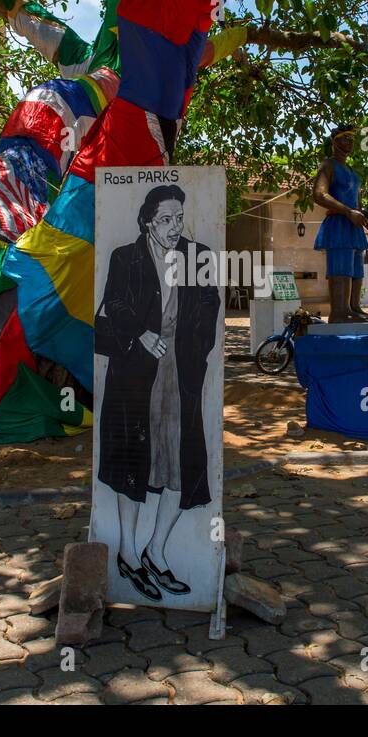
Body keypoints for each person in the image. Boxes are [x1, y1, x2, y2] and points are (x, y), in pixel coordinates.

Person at [96, 184, 220, 603]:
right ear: (148, 221)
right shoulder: (125, 258)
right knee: (133, 460)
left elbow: (210, 306)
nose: (173, 227)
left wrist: (191, 346)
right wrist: (141, 333)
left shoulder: (197, 256)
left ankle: (156, 551)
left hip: (178, 374)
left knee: (180, 464)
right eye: (165, 219)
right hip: (135, 374)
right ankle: (128, 554)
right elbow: (114, 304)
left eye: (178, 218)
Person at [311, 125, 368, 322]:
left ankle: (354, 309)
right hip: (339, 226)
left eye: (352, 138)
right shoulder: (328, 165)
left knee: (356, 270)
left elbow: (361, 210)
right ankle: (340, 312)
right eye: (345, 137)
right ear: (334, 141)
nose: (350, 141)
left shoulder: (354, 173)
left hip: (354, 229)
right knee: (341, 268)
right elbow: (319, 194)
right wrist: (347, 212)